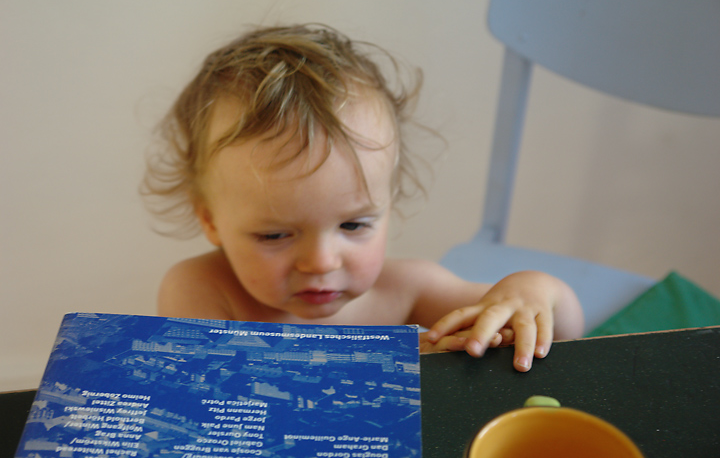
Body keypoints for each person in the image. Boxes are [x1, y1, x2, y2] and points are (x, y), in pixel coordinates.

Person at [142, 24, 584, 372]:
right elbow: (207, 385)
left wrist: (534, 294)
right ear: (210, 219)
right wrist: (401, 361)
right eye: (275, 235)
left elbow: (566, 337)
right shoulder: (200, 289)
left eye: (352, 225)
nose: (321, 262)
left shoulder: (407, 290)